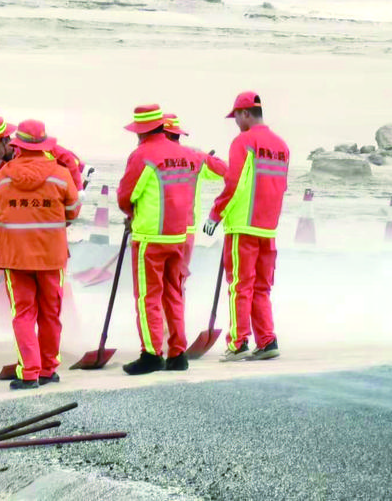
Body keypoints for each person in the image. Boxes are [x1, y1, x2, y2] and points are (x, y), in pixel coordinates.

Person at [0, 119, 81, 389]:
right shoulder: (60, 174)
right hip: (51, 256)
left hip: (14, 256)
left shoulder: (2, 176)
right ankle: (48, 370)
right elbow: (73, 210)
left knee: (23, 314)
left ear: (18, 145)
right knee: (51, 313)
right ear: (44, 145)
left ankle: (29, 373)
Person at [0, 116, 86, 326]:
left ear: (5, 140)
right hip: (11, 233)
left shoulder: (41, 151)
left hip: (44, 230)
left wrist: (78, 191)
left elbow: (74, 163)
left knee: (54, 279)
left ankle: (69, 322)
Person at [203, 92, 289, 362]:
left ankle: (238, 343)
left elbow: (234, 182)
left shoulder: (244, 141)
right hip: (268, 228)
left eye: (236, 117)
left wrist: (215, 214)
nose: (236, 123)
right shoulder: (282, 146)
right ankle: (267, 340)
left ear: (245, 114)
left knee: (240, 286)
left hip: (243, 226)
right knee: (261, 287)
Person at [117, 104, 195, 375]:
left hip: (150, 236)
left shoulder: (142, 154)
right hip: (179, 234)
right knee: (173, 294)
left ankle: (151, 354)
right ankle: (178, 354)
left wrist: (130, 213)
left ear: (142, 131)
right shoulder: (185, 154)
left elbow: (126, 195)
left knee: (148, 296)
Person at [163, 114, 228, 288]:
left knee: (159, 284)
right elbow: (225, 170)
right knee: (178, 282)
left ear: (163, 135)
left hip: (161, 230)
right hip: (187, 230)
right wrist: (204, 156)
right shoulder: (193, 158)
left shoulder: (155, 158)